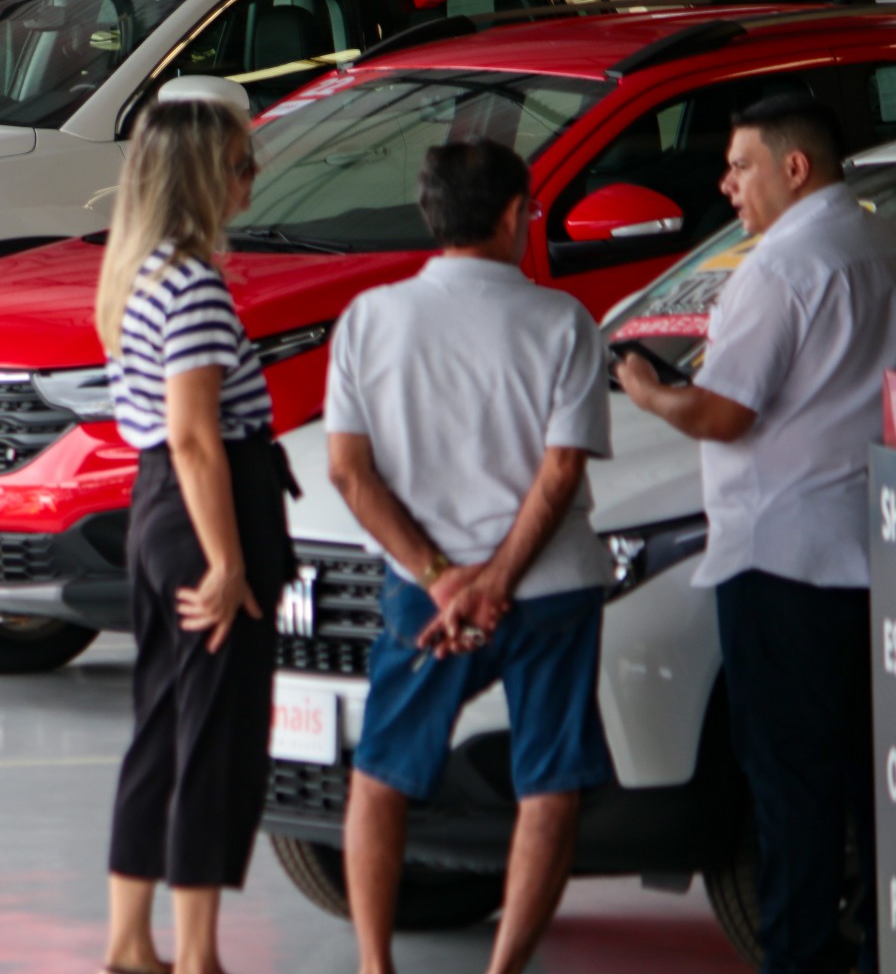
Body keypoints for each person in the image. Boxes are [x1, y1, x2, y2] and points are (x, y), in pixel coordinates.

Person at [619, 94, 896, 974]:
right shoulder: (875, 242)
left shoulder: (779, 270)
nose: (726, 183)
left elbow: (724, 413)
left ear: (795, 167)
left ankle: (800, 958)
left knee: (790, 793)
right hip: (866, 554)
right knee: (869, 781)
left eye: (739, 165)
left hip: (782, 561)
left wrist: (651, 392)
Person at [326, 139, 614, 974]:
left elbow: (349, 471)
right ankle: (504, 970)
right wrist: (497, 581)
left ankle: (376, 965)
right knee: (548, 780)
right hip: (553, 589)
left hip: (427, 598)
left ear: (430, 214)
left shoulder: (370, 319)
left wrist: (444, 577)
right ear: (517, 215)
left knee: (381, 771)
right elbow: (562, 469)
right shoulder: (563, 323)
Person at [94, 81, 296, 974]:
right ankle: (199, 954)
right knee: (215, 738)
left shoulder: (139, 276)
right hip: (202, 514)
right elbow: (196, 437)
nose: (252, 179)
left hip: (156, 509)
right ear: (200, 180)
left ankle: (132, 943)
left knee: (163, 727)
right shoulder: (195, 288)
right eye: (240, 165)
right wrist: (227, 562)